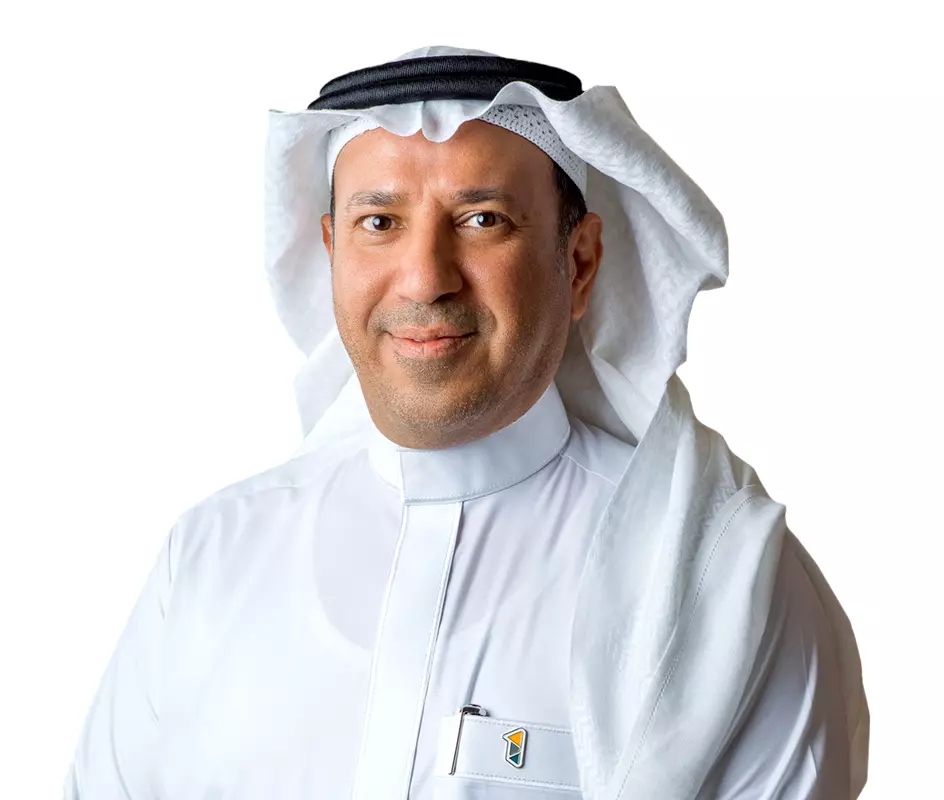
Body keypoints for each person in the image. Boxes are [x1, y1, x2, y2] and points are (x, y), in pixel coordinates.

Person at [64, 45, 869, 799]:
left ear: (578, 263)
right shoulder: (207, 560)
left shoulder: (720, 588)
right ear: (331, 251)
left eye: (482, 218)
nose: (425, 278)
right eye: (380, 222)